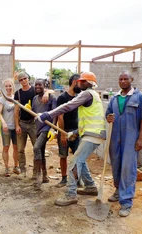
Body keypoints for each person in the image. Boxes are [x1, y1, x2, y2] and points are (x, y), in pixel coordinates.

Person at [37, 71, 106, 206]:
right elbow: (88, 119)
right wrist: (75, 132)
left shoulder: (87, 94)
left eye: (82, 81)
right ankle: (90, 186)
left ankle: (71, 194)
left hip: (93, 135)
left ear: (89, 83)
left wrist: (48, 115)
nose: (79, 83)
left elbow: (68, 106)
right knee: (81, 160)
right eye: (79, 81)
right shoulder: (93, 95)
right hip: (92, 133)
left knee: (74, 162)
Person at [106, 71, 142, 217]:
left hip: (131, 138)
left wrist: (140, 138)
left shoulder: (140, 97)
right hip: (115, 138)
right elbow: (108, 115)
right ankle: (118, 190)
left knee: (128, 168)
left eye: (126, 79)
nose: (123, 81)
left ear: (131, 80)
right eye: (121, 79)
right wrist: (109, 118)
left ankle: (126, 201)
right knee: (116, 165)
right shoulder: (114, 98)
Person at [14, 72, 52, 178]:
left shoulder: (35, 90)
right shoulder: (18, 93)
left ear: (28, 78)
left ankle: (37, 173)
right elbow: (16, 110)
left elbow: (49, 90)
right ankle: (23, 171)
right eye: (20, 80)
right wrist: (17, 125)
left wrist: (47, 93)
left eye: (25, 78)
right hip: (22, 123)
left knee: (37, 148)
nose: (23, 81)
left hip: (34, 124)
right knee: (21, 149)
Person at [55, 74, 81, 188]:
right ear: (75, 82)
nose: (81, 86)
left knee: (78, 156)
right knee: (63, 156)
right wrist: (62, 135)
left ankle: (77, 179)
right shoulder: (62, 98)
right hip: (64, 131)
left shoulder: (79, 97)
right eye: (80, 83)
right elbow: (60, 117)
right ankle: (64, 178)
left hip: (76, 132)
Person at [32, 79, 57, 189]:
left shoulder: (51, 98)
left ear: (44, 86)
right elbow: (34, 112)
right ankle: (45, 176)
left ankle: (37, 177)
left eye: (40, 85)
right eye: (36, 85)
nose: (37, 86)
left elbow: (55, 113)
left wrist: (53, 128)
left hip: (46, 128)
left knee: (36, 148)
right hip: (38, 128)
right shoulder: (34, 98)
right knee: (41, 151)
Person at [0, 78, 19, 177]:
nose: (8, 88)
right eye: (6, 86)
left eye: (10, 86)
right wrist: (4, 123)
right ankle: (6, 168)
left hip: (16, 127)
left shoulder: (16, 97)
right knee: (6, 147)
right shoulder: (2, 99)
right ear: (4, 87)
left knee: (16, 147)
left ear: (13, 86)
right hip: (6, 127)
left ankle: (16, 166)